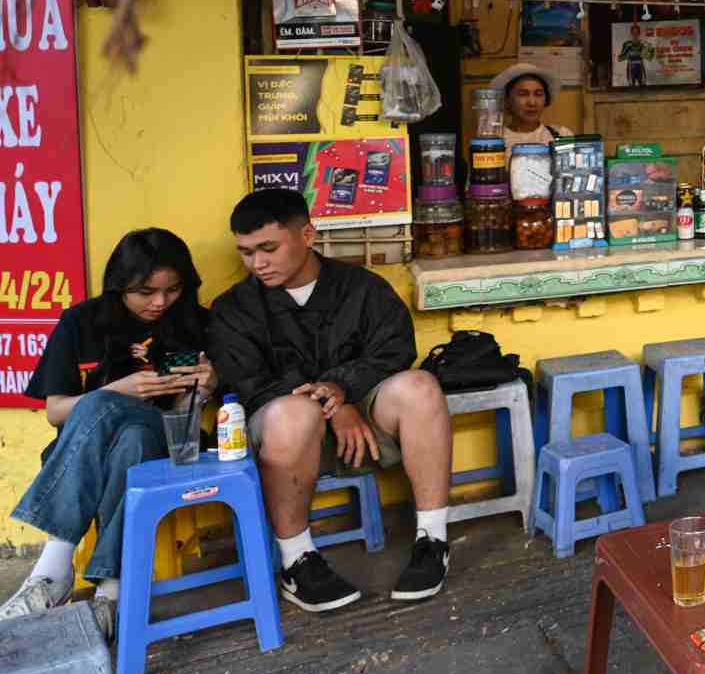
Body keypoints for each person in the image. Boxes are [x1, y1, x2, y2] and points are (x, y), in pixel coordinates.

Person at [207, 190, 455, 611]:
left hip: (368, 430)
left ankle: (433, 540)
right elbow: (250, 383)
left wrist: (344, 387)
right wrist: (333, 405)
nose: (257, 263)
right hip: (284, 444)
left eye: (269, 248)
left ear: (307, 235)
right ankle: (297, 560)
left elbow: (393, 350)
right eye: (246, 253)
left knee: (420, 387)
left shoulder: (362, 289)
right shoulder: (235, 309)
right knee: (293, 413)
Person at [2, 230, 216, 637]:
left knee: (129, 424)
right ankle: (111, 591)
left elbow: (204, 403)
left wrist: (208, 383)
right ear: (120, 285)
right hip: (95, 449)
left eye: (172, 290)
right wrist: (118, 390)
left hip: (171, 441)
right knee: (126, 434)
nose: (160, 302)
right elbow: (55, 412)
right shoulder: (82, 322)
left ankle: (54, 567)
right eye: (145, 291)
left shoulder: (197, 322)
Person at [491, 63, 567, 147]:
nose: (532, 102)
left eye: (538, 94)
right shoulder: (495, 141)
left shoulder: (561, 135)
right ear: (507, 100)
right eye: (523, 94)